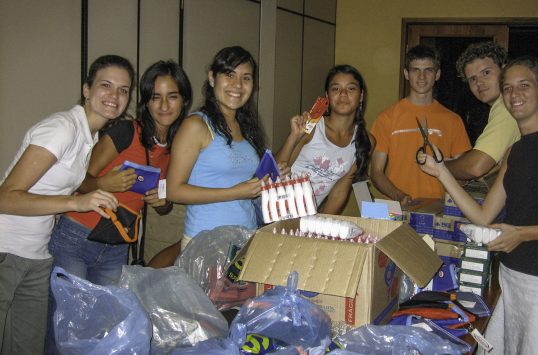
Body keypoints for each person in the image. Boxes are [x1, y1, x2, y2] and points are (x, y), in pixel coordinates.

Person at [418, 57, 538, 355]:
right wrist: (441, 172)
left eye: (524, 85)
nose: (513, 94)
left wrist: (525, 233)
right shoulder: (515, 151)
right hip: (513, 277)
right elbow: (483, 215)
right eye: (508, 88)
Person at [0, 54, 132, 355]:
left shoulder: (90, 139)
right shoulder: (62, 128)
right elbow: (5, 198)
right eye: (105, 85)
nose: (114, 96)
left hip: (36, 255)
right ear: (86, 90)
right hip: (5, 249)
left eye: (123, 90)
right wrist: (76, 203)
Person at [48, 60, 192, 286]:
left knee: (106, 319)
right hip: (77, 236)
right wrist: (104, 183)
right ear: (146, 101)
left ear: (183, 101)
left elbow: (164, 206)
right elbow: (77, 181)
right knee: (68, 317)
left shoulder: (177, 147)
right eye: (155, 97)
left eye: (172, 96)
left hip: (117, 244)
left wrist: (162, 201)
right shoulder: (126, 132)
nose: (164, 105)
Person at [166, 46, 268, 250]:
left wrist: (269, 176)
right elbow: (173, 191)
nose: (237, 85)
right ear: (212, 78)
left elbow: (244, 184)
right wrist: (234, 192)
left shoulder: (246, 128)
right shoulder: (196, 125)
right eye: (229, 74)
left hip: (245, 238)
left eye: (246, 78)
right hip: (206, 243)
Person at [370, 44, 471, 205]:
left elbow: (464, 173)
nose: (422, 76)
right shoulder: (386, 118)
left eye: (428, 70)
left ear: (437, 74)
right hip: (397, 208)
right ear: (406, 74)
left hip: (437, 211)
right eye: (416, 70)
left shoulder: (453, 120)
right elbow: (376, 172)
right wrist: (399, 196)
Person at [276, 64, 373, 214]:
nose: (343, 94)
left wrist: (318, 227)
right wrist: (294, 136)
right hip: (273, 210)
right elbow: (274, 170)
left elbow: (339, 192)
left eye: (351, 88)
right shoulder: (312, 126)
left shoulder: (366, 141)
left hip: (304, 220)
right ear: (327, 96)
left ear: (361, 96)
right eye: (335, 88)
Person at [445, 41, 517, 180]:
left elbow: (475, 167)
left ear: (505, 70)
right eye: (473, 79)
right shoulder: (507, 104)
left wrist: (441, 166)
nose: (479, 82)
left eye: (486, 72)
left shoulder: (509, 105)